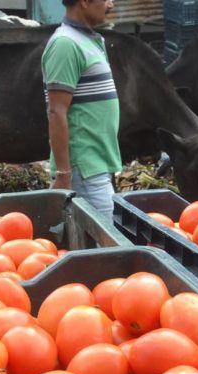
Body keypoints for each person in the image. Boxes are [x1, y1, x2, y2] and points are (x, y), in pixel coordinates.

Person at [41, 0, 122, 221]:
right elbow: (56, 112)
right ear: (85, 2)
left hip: (97, 165)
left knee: (97, 246)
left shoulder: (91, 40)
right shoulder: (65, 44)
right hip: (83, 169)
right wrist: (64, 174)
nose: (111, 4)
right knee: (106, 248)